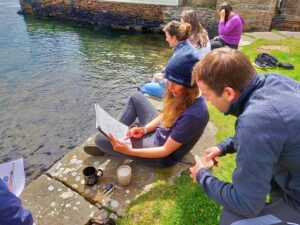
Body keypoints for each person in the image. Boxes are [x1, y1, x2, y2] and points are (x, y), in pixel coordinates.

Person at [190, 48, 300, 224]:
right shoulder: (274, 81)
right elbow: (272, 129)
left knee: (231, 219)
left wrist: (202, 175)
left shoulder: (255, 121)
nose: (207, 101)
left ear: (228, 93)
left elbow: (246, 204)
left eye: (208, 95)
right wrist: (224, 146)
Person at [84, 46, 209, 167]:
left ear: (190, 86)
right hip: (162, 132)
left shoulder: (195, 115)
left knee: (100, 140)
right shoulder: (186, 95)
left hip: (160, 154)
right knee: (136, 97)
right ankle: (117, 135)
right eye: (169, 81)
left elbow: (165, 150)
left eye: (176, 83)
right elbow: (167, 115)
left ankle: (112, 143)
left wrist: (128, 151)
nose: (170, 87)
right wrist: (144, 130)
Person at [139, 21, 199, 99]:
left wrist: (161, 80)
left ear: (173, 37)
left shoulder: (182, 55)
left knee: (144, 88)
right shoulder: (187, 47)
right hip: (187, 88)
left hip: (180, 93)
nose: (166, 39)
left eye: (167, 36)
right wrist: (163, 75)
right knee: (154, 79)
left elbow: (176, 84)